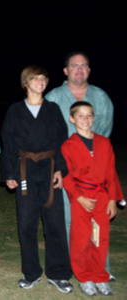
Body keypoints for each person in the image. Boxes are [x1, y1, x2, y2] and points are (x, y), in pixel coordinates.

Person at [0, 66, 73, 293]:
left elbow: (63, 140)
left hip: (50, 169)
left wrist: (60, 169)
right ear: (26, 82)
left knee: (55, 223)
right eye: (35, 78)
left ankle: (59, 273)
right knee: (26, 224)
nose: (40, 81)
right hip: (25, 171)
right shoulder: (15, 110)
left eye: (43, 78)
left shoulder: (53, 110)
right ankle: (30, 273)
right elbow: (9, 142)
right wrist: (9, 174)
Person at [46, 52, 115, 278]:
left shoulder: (101, 97)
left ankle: (100, 267)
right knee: (69, 218)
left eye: (84, 66)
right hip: (63, 166)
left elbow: (104, 132)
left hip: (93, 172)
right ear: (66, 71)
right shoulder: (54, 96)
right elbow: (46, 131)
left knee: (98, 220)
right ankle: (73, 266)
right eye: (74, 66)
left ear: (89, 70)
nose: (79, 70)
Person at [61, 101, 124, 296]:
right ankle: (84, 277)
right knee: (80, 239)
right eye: (80, 115)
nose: (85, 119)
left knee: (100, 238)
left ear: (94, 118)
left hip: (102, 198)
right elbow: (66, 175)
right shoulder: (68, 145)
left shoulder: (104, 143)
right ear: (72, 119)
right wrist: (79, 198)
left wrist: (113, 199)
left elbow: (111, 172)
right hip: (81, 199)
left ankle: (100, 276)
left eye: (89, 115)